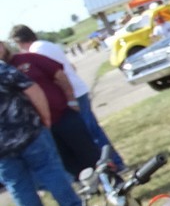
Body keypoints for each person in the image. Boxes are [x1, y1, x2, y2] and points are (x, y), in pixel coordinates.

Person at [8, 23, 124, 170]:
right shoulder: (47, 44)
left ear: (19, 41)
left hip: (72, 95)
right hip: (78, 90)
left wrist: (69, 100)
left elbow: (56, 75)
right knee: (93, 132)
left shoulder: (36, 50)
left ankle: (113, 164)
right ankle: (113, 163)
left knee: (88, 135)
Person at [0, 60, 88, 206]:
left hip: (5, 147)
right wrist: (45, 117)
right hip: (28, 132)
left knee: (18, 185)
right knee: (50, 171)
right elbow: (32, 89)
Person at [0, 41, 100, 178]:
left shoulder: (28, 58)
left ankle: (113, 183)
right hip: (38, 129)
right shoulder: (4, 72)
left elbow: (60, 74)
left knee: (89, 152)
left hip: (63, 115)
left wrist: (71, 99)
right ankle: (92, 191)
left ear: (4, 46)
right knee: (69, 164)